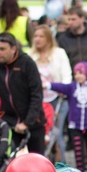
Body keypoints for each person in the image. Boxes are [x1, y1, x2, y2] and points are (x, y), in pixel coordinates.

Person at [0, 32, 44, 154]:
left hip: (33, 122)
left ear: (13, 49)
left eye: (2, 49)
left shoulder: (27, 63)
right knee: (9, 160)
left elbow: (37, 94)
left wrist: (27, 122)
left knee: (37, 160)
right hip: (9, 122)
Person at [47, 62, 87, 172]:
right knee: (78, 153)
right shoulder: (72, 88)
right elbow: (60, 86)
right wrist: (47, 85)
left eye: (81, 73)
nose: (78, 76)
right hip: (75, 125)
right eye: (76, 73)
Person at [29, 25, 73, 163]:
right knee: (40, 134)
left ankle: (62, 167)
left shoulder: (59, 53)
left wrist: (59, 88)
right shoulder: (30, 55)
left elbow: (67, 77)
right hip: (37, 100)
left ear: (48, 38)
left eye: (41, 36)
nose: (37, 39)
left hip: (56, 100)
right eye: (35, 36)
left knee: (56, 134)